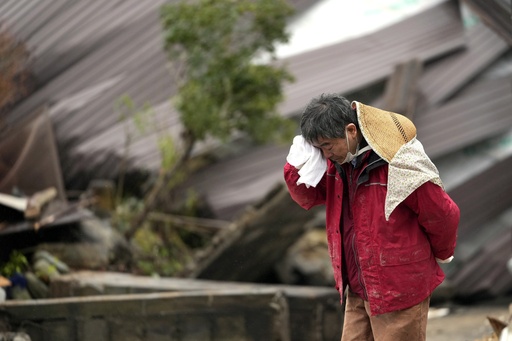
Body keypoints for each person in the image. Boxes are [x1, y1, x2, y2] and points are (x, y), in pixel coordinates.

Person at [283, 93, 460, 341]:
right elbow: (307, 196)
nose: (324, 154)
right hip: (358, 286)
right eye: (318, 148)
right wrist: (295, 165)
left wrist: (441, 252)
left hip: (399, 287)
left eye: (327, 145)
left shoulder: (399, 161)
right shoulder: (338, 163)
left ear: (351, 130)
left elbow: (443, 214)